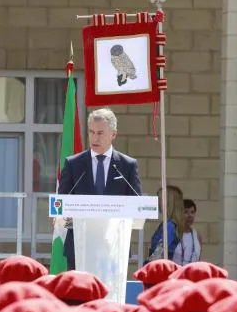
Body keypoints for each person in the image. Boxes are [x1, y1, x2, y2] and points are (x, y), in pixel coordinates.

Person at [57, 109, 142, 270]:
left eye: (100, 133)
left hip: (114, 246)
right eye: (91, 132)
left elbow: (136, 204)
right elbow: (62, 201)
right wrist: (59, 215)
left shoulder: (127, 165)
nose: (95, 138)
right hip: (79, 246)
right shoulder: (73, 164)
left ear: (114, 134)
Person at [147, 185, 184, 262]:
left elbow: (159, 251)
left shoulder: (169, 225)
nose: (157, 202)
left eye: (159, 199)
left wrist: (147, 265)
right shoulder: (171, 223)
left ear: (167, 201)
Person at [173, 198, 202, 266]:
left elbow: (199, 260)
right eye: (186, 212)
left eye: (192, 212)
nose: (190, 216)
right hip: (175, 274)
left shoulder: (197, 235)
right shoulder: (173, 233)